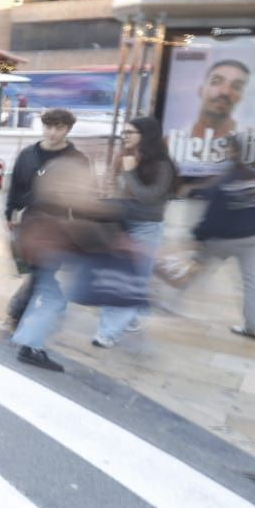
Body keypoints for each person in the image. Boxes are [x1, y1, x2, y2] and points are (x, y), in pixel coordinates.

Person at [10, 147, 119, 373]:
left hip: (38, 237)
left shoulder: (56, 165)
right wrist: (115, 210)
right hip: (45, 240)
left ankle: (27, 338)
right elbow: (75, 202)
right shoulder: (64, 167)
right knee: (52, 297)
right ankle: (29, 344)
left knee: (45, 291)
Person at [189, 132, 255, 343]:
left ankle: (167, 301)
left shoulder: (226, 180)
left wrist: (198, 235)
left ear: (230, 151)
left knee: (195, 265)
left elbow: (213, 216)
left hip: (227, 237)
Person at [93, 116, 174, 348]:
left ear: (146, 136)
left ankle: (107, 332)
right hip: (119, 224)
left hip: (146, 226)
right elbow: (110, 187)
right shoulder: (122, 157)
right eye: (124, 133)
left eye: (130, 133)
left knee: (132, 279)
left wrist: (130, 172)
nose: (125, 137)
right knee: (123, 278)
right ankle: (132, 314)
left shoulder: (161, 165)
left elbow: (148, 198)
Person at [4, 108, 88, 329]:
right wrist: (10, 211)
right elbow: (16, 186)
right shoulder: (28, 155)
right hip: (30, 221)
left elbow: (85, 195)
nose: (52, 133)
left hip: (59, 225)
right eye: (49, 127)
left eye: (59, 128)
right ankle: (55, 301)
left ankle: (17, 312)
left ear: (68, 129)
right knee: (37, 270)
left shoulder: (77, 159)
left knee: (42, 270)